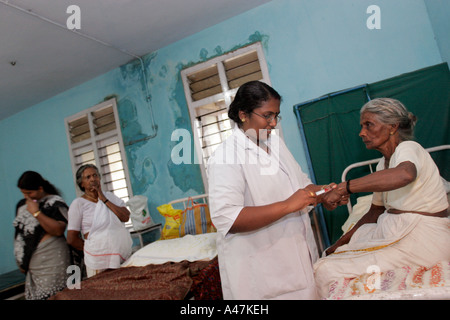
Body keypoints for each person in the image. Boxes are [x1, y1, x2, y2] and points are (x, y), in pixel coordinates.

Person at [207, 81, 344, 300]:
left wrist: (323, 193)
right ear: (243, 114)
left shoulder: (276, 144)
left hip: (298, 259)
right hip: (262, 274)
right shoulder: (226, 156)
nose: (273, 124)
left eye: (276, 116)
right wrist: (288, 206)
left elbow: (303, 188)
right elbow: (227, 218)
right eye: (267, 116)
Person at [314, 98, 450, 298]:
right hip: (398, 228)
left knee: (325, 270)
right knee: (352, 240)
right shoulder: (381, 165)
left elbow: (405, 175)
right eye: (362, 126)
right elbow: (375, 212)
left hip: (423, 238)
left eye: (369, 125)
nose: (362, 133)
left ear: (393, 127)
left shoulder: (409, 148)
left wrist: (346, 187)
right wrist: (339, 243)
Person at [14, 171, 71, 300]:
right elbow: (19, 234)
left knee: (54, 296)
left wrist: (36, 213)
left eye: (30, 193)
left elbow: (58, 230)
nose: (27, 197)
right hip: (33, 264)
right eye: (23, 193)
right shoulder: (22, 205)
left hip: (52, 262)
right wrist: (21, 260)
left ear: (40, 188)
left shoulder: (54, 202)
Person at [67, 164, 132, 278]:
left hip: (119, 253)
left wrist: (104, 199)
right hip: (97, 259)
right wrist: (93, 249)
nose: (93, 179)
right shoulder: (78, 204)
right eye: (88, 177)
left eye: (95, 175)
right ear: (81, 184)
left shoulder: (110, 197)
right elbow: (71, 239)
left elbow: (125, 217)